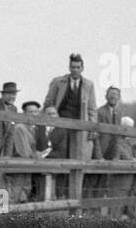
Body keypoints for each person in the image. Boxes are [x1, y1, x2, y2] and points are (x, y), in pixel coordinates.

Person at [42, 54, 97, 199]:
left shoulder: (89, 85)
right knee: (60, 159)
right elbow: (48, 102)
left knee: (78, 161)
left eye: (78, 67)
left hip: (79, 129)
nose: (75, 70)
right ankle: (55, 196)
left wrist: (92, 128)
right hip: (60, 127)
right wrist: (51, 119)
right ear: (69, 67)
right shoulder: (58, 82)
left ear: (82, 68)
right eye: (73, 67)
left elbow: (92, 109)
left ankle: (72, 196)